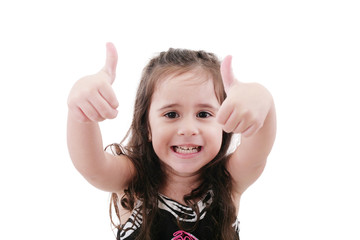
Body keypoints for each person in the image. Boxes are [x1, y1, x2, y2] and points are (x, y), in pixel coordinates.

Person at [67, 42, 276, 240]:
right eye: (171, 114)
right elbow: (92, 166)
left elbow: (258, 150)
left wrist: (262, 98)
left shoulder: (230, 179)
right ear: (147, 126)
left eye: (203, 114)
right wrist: (81, 110)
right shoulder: (132, 179)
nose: (188, 129)